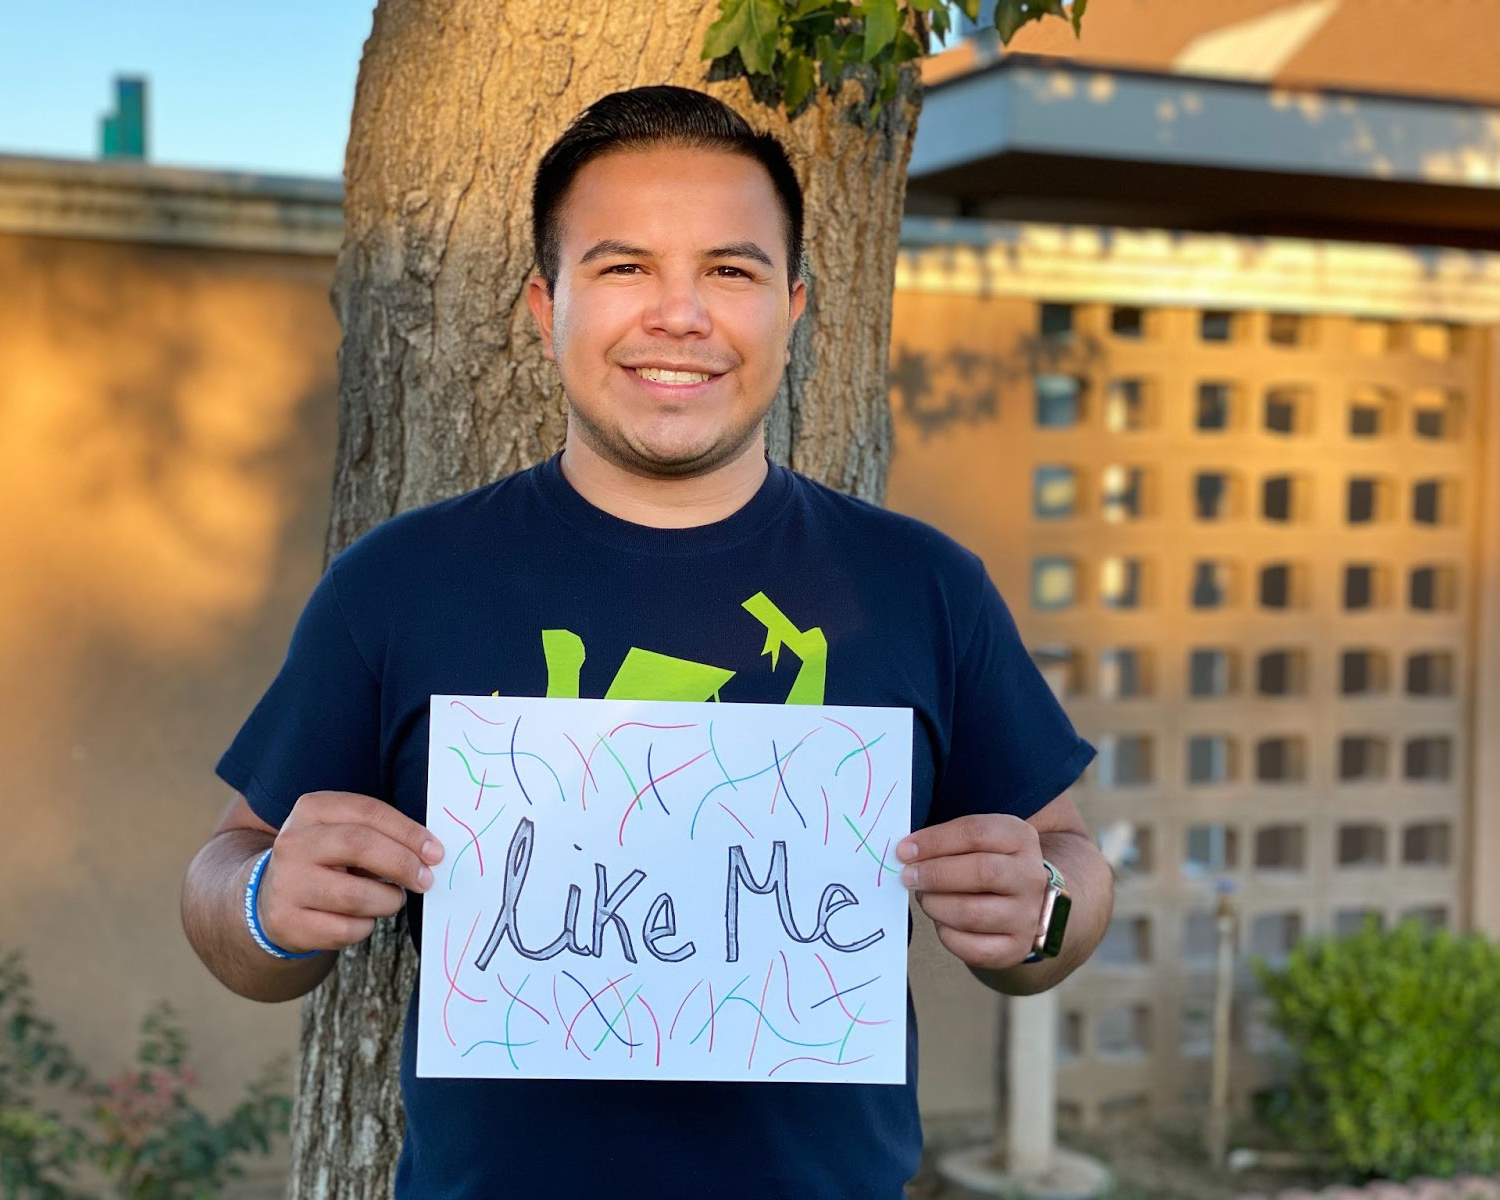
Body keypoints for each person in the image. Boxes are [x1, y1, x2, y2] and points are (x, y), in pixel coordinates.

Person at [182, 85, 1111, 1199]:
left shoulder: (921, 587)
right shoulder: (400, 583)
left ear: (796, 305)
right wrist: (265, 903)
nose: (680, 314)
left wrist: (1040, 909)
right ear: (545, 306)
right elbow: (227, 876)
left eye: (731, 269)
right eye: (624, 267)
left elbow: (1068, 870)